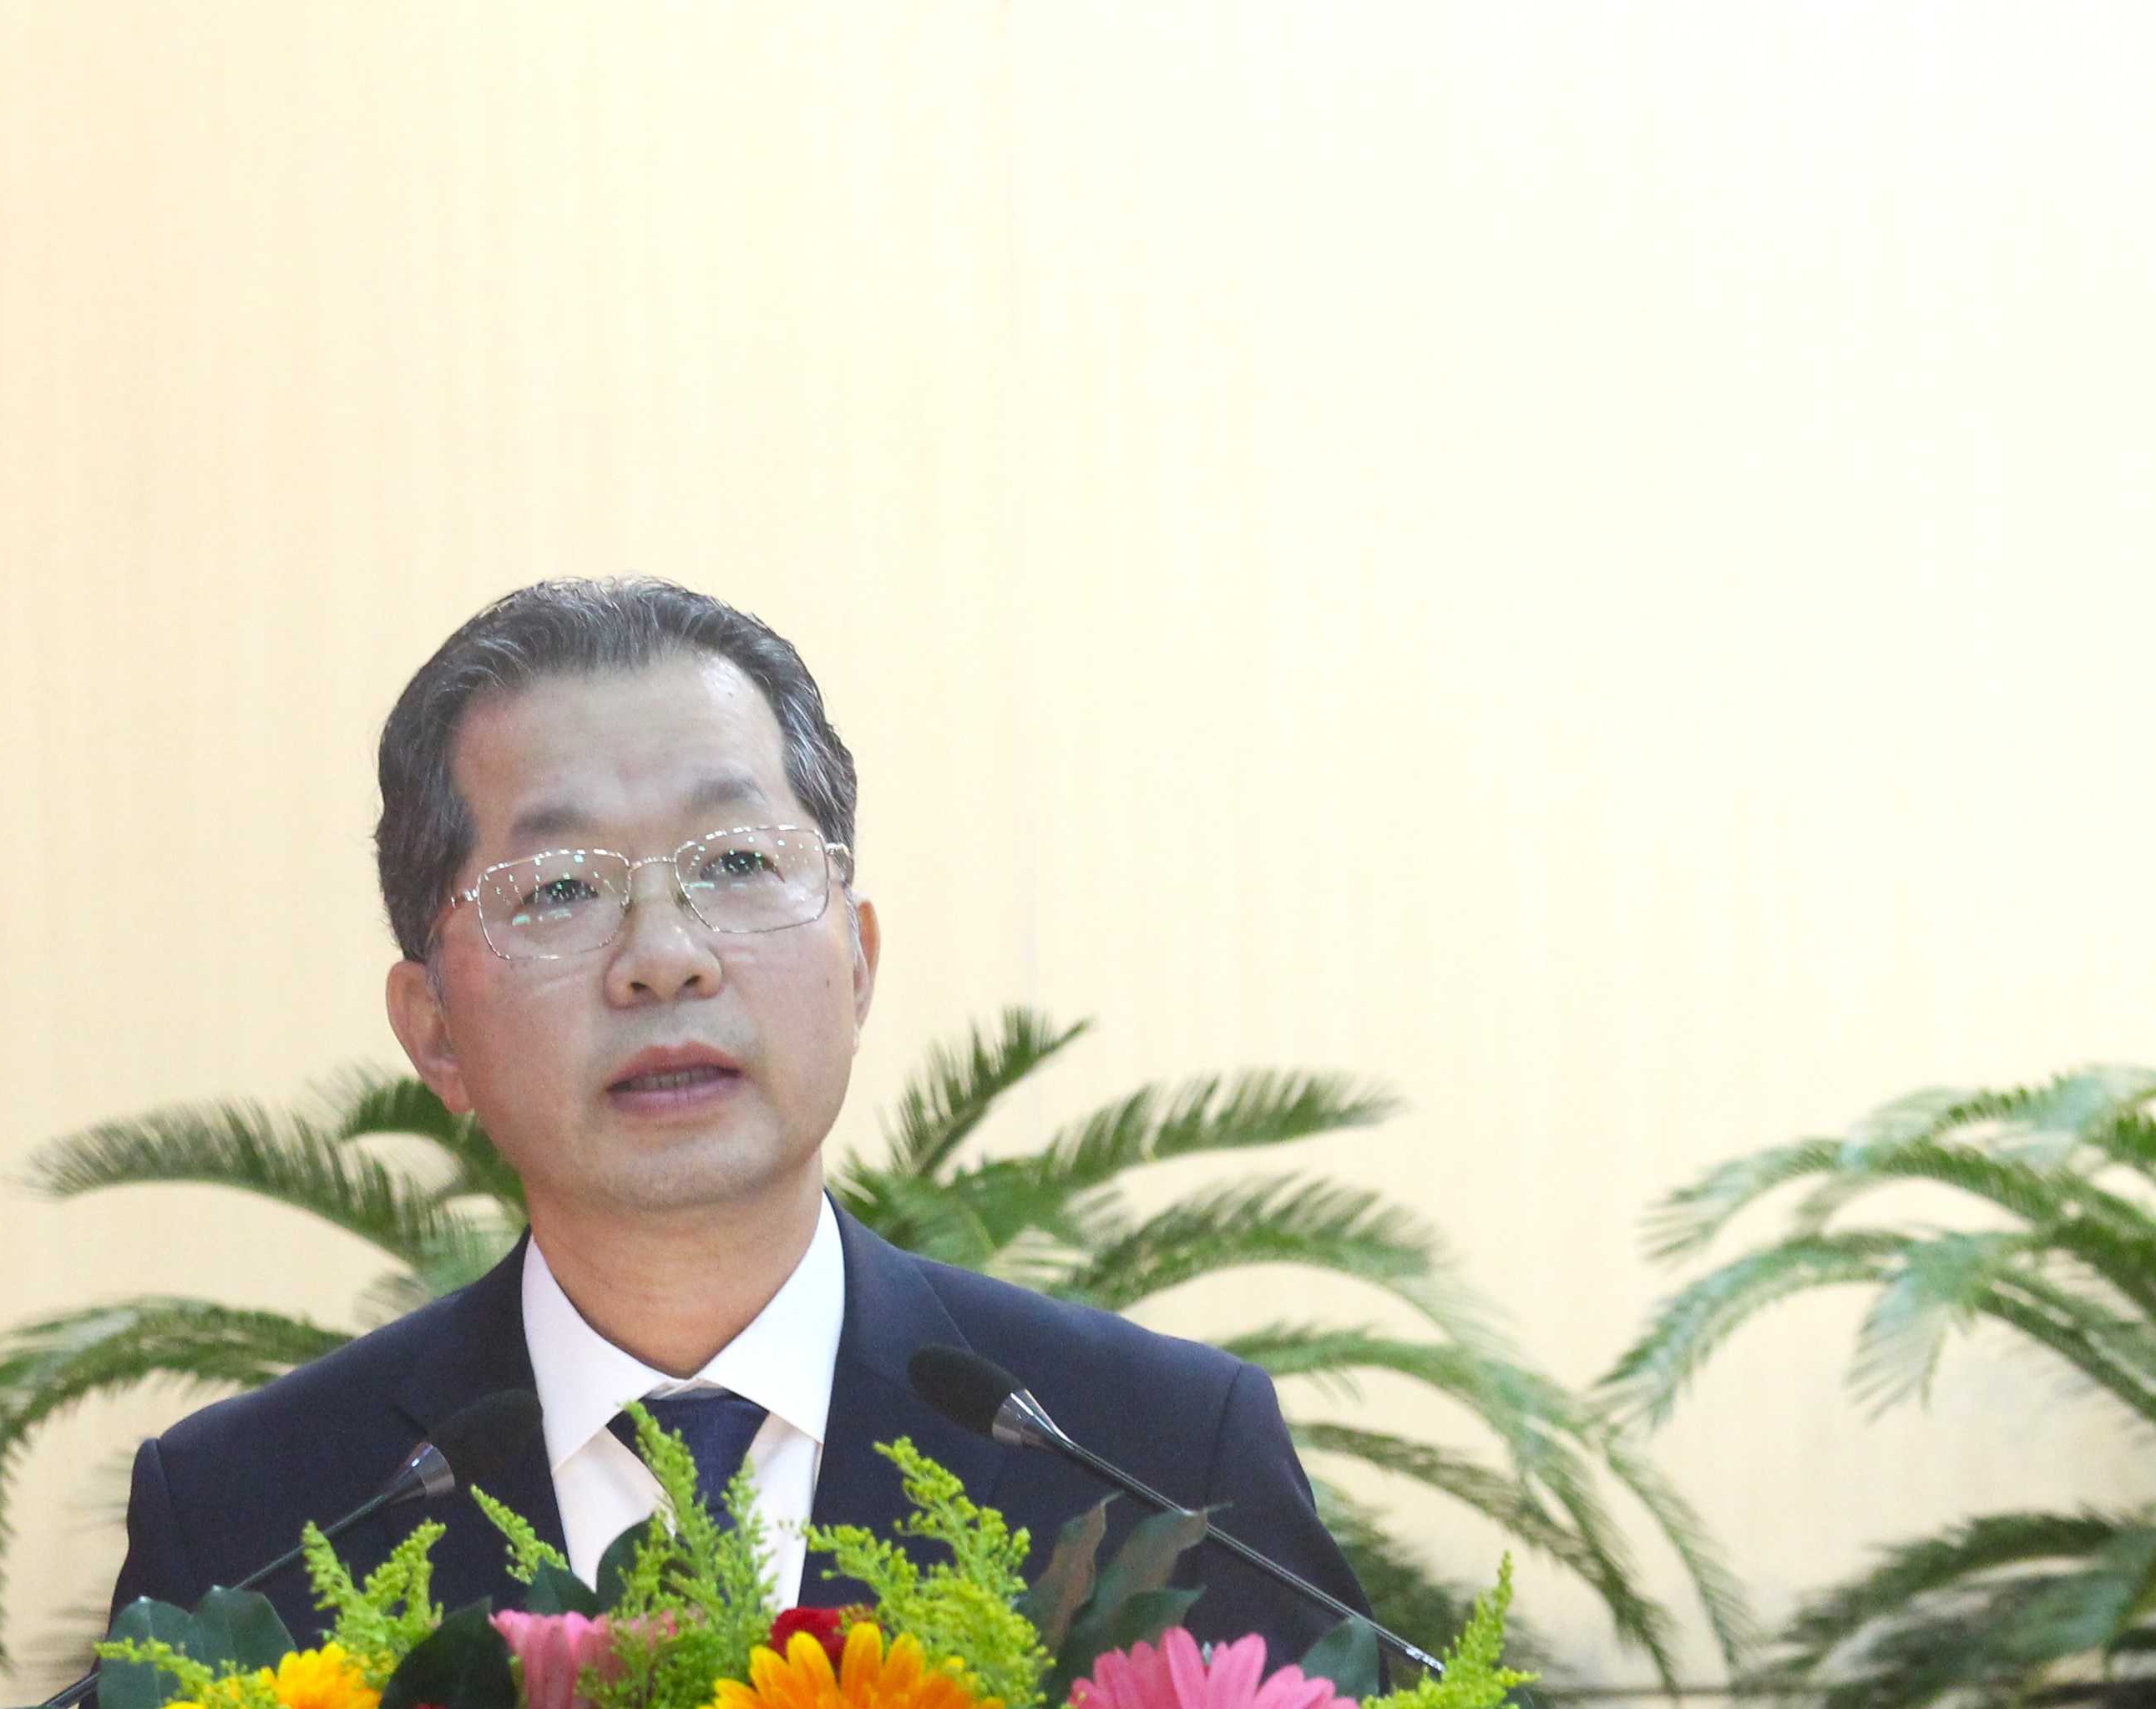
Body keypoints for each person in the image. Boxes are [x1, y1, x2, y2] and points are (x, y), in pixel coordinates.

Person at [108, 576, 1364, 1651]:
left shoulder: (1147, 1454)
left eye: (736, 864)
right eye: (555, 888)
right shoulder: (256, 1517)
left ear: (857, 961)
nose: (663, 959)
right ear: (433, 1028)